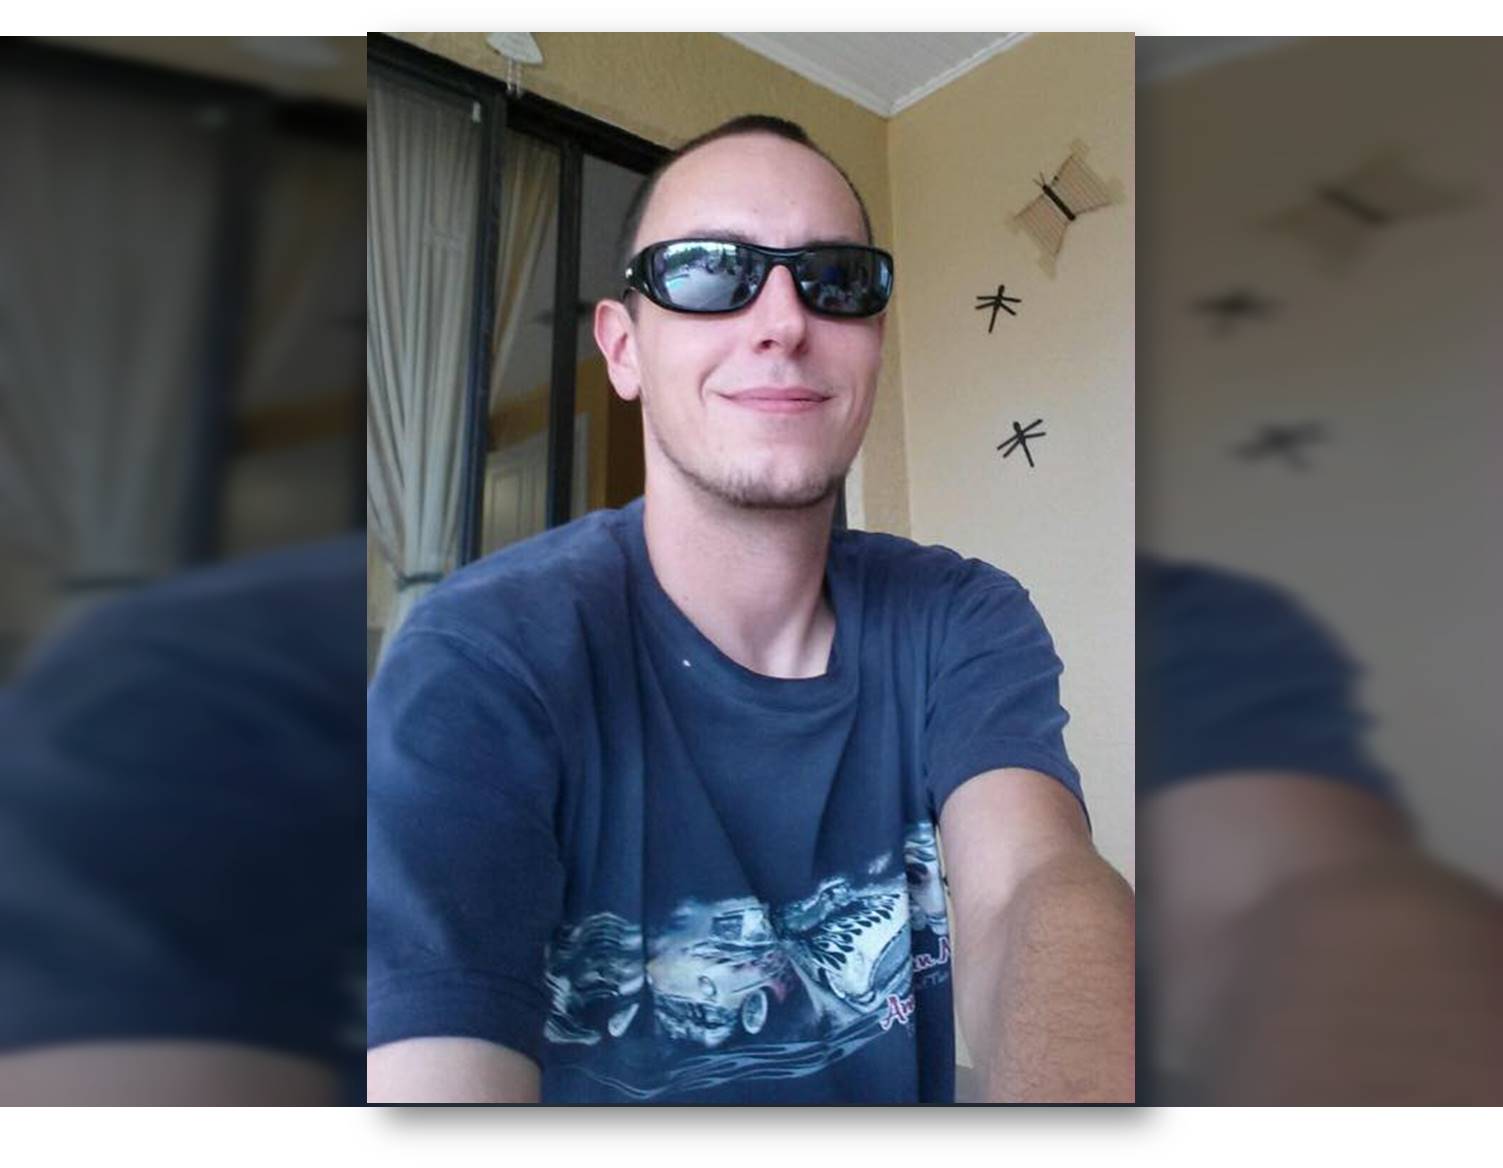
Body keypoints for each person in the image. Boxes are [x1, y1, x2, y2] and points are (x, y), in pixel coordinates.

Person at [366, 115, 1134, 1105]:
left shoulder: (960, 616)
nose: (783, 321)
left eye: (835, 278)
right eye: (705, 271)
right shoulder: (481, 655)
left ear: (873, 342)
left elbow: (1033, 885)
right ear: (623, 348)